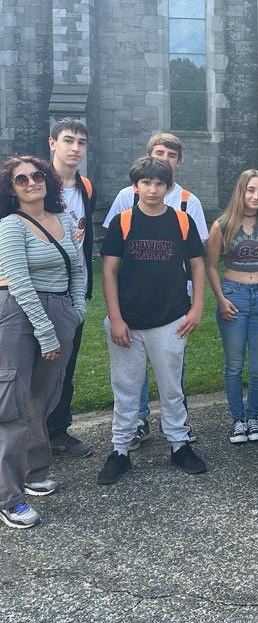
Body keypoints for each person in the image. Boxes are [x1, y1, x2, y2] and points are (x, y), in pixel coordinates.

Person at [97, 156, 207, 485]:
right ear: (136, 186)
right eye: (146, 183)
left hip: (170, 318)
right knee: (126, 388)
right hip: (128, 321)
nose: (153, 189)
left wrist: (196, 309)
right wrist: (115, 318)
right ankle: (120, 450)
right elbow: (109, 271)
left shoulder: (182, 221)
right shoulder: (123, 221)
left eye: (160, 183)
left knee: (171, 388)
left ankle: (179, 445)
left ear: (168, 187)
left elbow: (197, 266)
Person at [0, 156, 84, 528]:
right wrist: (45, 331)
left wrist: (76, 311)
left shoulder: (63, 219)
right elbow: (18, 281)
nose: (31, 182)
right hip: (19, 315)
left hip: (60, 309)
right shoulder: (10, 225)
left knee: (43, 397)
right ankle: (9, 497)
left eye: (37, 175)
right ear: (11, 188)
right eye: (21, 179)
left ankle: (35, 473)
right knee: (13, 405)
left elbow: (77, 269)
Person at [206, 169, 258, 444]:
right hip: (234, 296)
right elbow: (211, 267)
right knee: (234, 364)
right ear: (241, 191)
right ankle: (238, 419)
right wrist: (220, 299)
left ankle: (253, 417)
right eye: (251, 190)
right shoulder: (223, 225)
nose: (256, 196)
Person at [46, 119, 95, 458]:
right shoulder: (34, 182)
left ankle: (57, 432)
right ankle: (27, 438)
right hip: (40, 291)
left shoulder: (86, 188)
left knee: (66, 366)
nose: (75, 148)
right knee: (34, 367)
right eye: (68, 140)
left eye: (81, 142)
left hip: (74, 292)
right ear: (52, 143)